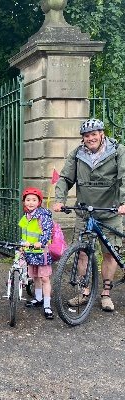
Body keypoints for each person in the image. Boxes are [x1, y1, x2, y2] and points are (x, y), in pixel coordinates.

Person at [53, 118, 125, 312]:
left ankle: (106, 294)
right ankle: (84, 292)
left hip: (110, 211)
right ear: (83, 138)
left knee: (109, 253)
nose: (90, 138)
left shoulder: (117, 151)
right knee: (82, 252)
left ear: (102, 134)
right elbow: (65, 178)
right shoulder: (77, 154)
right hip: (85, 212)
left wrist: (124, 202)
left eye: (94, 134)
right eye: (86, 135)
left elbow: (124, 176)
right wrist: (59, 199)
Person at [20, 187, 54, 320]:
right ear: (24, 202)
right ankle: (38, 298)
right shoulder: (25, 216)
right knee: (35, 277)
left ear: (39, 201)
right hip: (30, 252)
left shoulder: (43, 215)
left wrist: (41, 242)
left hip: (42, 252)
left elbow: (47, 231)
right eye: (28, 200)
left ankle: (47, 305)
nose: (31, 203)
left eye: (34, 200)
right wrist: (23, 243)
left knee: (45, 278)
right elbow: (24, 233)